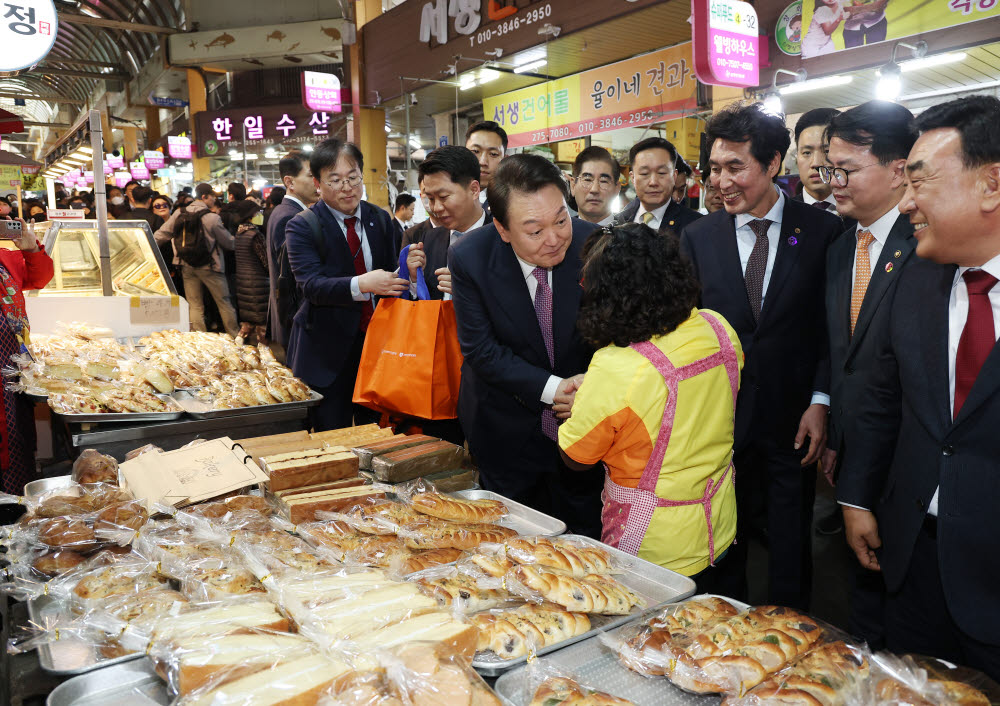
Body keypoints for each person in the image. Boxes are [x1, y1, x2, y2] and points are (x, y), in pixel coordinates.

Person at [837, 95, 1000, 681]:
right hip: (911, 559)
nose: (905, 204)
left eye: (920, 182)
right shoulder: (916, 279)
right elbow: (884, 400)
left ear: (991, 185)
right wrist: (857, 497)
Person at [680, 102, 841, 611]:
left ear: (773, 164)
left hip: (793, 418)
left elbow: (830, 331)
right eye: (714, 168)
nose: (722, 182)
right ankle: (725, 631)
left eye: (735, 168)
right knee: (723, 540)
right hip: (718, 423)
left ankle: (792, 636)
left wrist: (820, 401)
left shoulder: (820, 233)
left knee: (792, 543)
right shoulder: (698, 237)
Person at [559, 223, 743, 587]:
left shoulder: (618, 367)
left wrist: (587, 402)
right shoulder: (718, 328)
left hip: (654, 547)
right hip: (719, 523)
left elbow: (576, 459)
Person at [449, 153, 603, 537]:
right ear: (502, 228)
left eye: (561, 220)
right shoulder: (470, 257)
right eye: (534, 231)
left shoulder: (595, 245)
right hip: (504, 427)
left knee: (583, 538)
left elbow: (619, 331)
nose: (553, 240)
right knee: (513, 541)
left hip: (586, 424)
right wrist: (557, 389)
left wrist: (593, 382)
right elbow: (481, 350)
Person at [821, 101, 917, 648]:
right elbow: (842, 354)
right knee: (864, 598)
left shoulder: (927, 246)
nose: (832, 181)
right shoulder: (841, 247)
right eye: (830, 168)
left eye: (846, 170)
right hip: (853, 451)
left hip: (907, 458)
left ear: (898, 169)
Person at [284, 138, 409, 432]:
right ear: (318, 183)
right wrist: (362, 284)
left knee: (377, 433)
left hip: (378, 348)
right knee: (333, 435)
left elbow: (392, 275)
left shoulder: (380, 218)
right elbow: (310, 286)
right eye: (335, 180)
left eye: (353, 177)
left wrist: (408, 272)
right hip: (327, 353)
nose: (347, 187)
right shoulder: (302, 225)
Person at [0, 219, 53, 516]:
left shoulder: (6, 257)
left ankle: (14, 514)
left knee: (16, 438)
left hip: (11, 370)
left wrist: (31, 248)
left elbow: (40, 277)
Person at [154, 183, 239, 336]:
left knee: (194, 305)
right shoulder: (212, 218)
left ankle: (200, 339)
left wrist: (146, 246)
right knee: (224, 303)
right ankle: (234, 337)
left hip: (186, 265)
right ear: (205, 197)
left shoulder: (179, 213)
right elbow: (229, 243)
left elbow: (161, 234)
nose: (214, 200)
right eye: (213, 197)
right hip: (210, 267)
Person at [403, 146, 486, 301]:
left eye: (443, 196)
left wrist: (471, 293)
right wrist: (415, 280)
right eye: (431, 199)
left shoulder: (504, 239)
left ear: (474, 190)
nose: (436, 208)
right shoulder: (428, 240)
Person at [267, 150, 319, 351]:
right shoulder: (290, 217)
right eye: (310, 175)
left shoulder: (285, 211)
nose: (317, 182)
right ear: (289, 182)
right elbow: (293, 279)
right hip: (295, 320)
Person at [615, 137, 701, 235]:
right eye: (644, 173)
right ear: (633, 178)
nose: (653, 182)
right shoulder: (618, 222)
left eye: (661, 173)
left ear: (674, 176)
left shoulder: (696, 225)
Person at [231, 198, 270, 346]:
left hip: (243, 281)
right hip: (258, 282)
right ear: (250, 215)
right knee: (262, 324)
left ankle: (237, 348)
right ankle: (264, 357)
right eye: (257, 212)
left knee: (247, 322)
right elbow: (265, 260)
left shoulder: (239, 233)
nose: (260, 215)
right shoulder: (254, 235)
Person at [794, 108, 841, 212]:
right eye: (807, 153)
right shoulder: (782, 215)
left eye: (827, 151)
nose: (816, 163)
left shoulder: (866, 213)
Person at [569, 146, 619, 226]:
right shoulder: (559, 235)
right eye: (587, 180)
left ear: (617, 189)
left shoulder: (631, 236)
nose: (594, 189)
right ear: (573, 186)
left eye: (603, 181)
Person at [465, 120, 506, 204]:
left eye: (493, 154)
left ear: (504, 159)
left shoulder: (509, 202)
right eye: (475, 151)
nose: (482, 162)